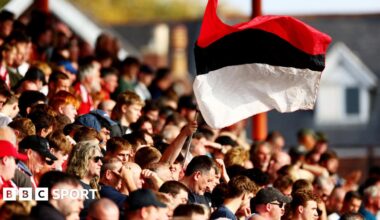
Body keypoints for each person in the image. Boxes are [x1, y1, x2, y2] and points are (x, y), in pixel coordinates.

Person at [66, 141, 103, 219]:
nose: (100, 163)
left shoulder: (90, 186)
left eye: (101, 159)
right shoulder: (74, 188)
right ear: (83, 159)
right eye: (96, 159)